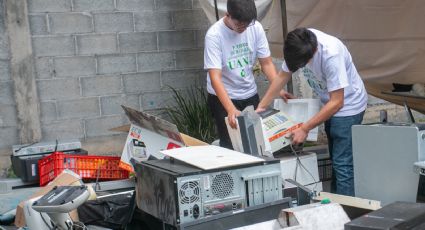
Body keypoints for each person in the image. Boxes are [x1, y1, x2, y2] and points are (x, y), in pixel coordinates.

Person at [257, 28, 368, 196]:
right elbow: (282, 77)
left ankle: (346, 214)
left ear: (313, 52)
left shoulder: (331, 54)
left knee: (342, 164)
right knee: (337, 161)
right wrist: (261, 107)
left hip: (349, 106)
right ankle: (337, 204)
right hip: (330, 103)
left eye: (301, 66)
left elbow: (338, 102)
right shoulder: (298, 42)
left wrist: (304, 128)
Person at [204, 0, 278, 149]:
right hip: (223, 98)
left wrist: (279, 87)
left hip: (249, 94)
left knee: (257, 144)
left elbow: (267, 63)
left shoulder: (255, 27)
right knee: (232, 146)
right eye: (239, 25)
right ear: (228, 15)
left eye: (247, 24)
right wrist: (230, 109)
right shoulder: (214, 35)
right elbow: (215, 78)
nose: (243, 28)